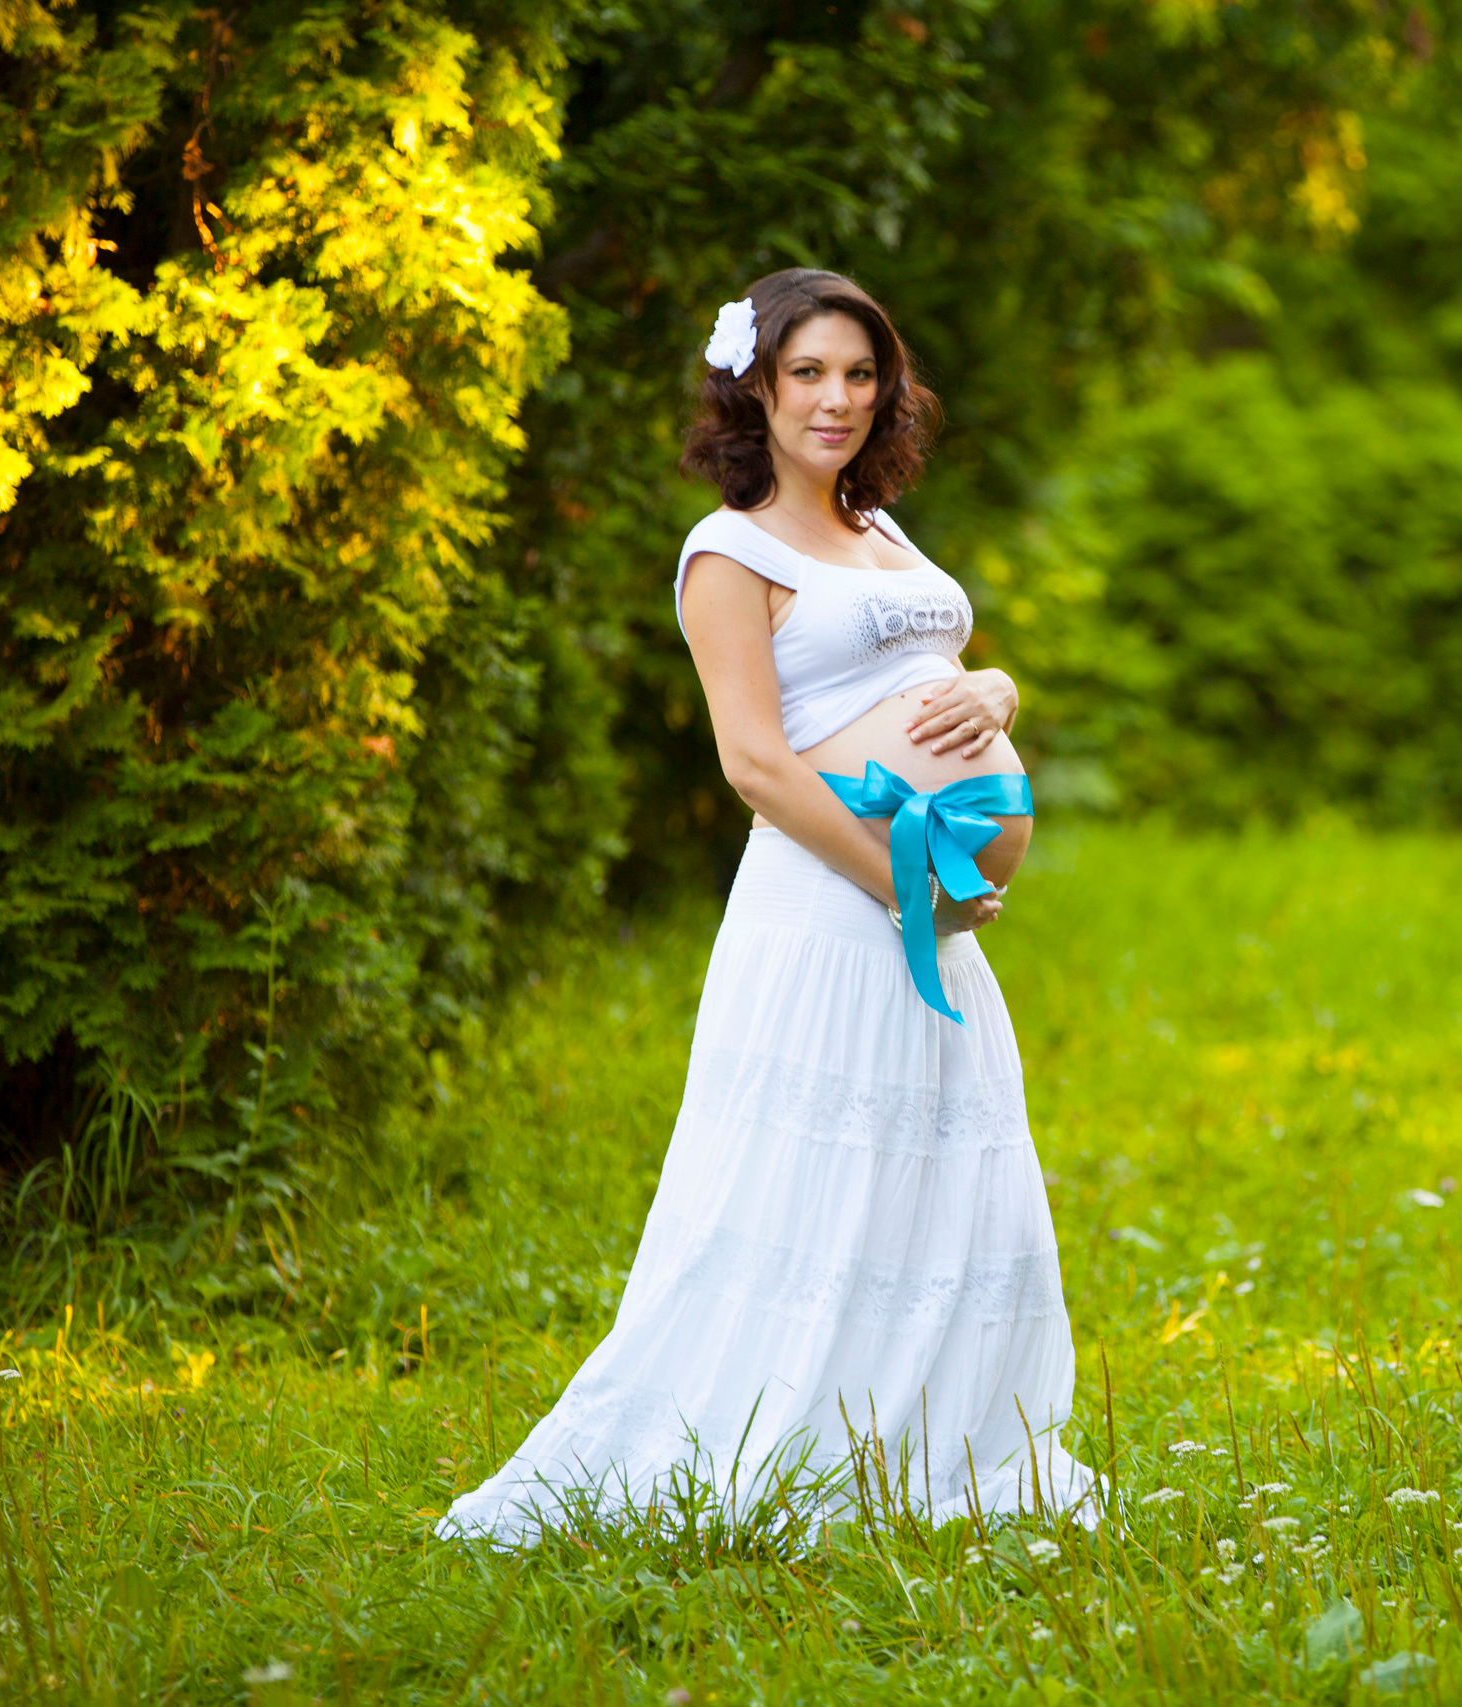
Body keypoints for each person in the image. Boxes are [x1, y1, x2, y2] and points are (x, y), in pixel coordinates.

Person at [436, 269, 1097, 1546]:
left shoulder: (885, 531)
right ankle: (774, 1454)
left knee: (936, 1181)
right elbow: (754, 762)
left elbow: (941, 672)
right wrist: (901, 880)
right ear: (755, 386)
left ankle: (931, 1454)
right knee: (814, 1188)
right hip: (833, 911)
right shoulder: (725, 554)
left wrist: (1002, 693)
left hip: (922, 921)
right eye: (808, 375)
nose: (837, 400)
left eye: (859, 374)